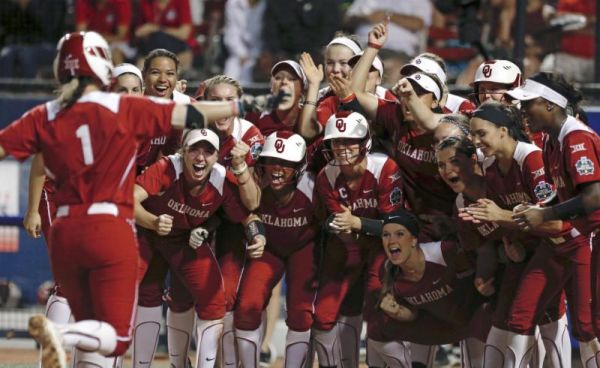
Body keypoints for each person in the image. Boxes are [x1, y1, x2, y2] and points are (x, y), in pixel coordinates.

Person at [0, 31, 241, 367]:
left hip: (67, 228)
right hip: (110, 225)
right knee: (114, 336)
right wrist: (234, 106)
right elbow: (191, 116)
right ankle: (63, 336)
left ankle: (59, 335)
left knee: (78, 306)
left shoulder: (46, 114)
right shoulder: (126, 107)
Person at [462, 100, 595, 367]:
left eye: (481, 133)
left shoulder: (531, 157)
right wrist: (511, 240)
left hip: (578, 241)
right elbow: (518, 220)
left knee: (587, 325)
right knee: (521, 318)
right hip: (549, 248)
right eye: (472, 134)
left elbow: (557, 223)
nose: (476, 141)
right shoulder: (491, 168)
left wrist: (501, 217)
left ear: (503, 130)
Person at [134, 128, 267, 368]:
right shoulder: (167, 167)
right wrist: (152, 222)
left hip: (181, 240)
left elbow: (248, 216)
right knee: (122, 290)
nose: (200, 157)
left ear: (217, 156)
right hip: (145, 233)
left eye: (208, 151)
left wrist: (258, 237)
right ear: (183, 152)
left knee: (215, 300)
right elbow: (130, 199)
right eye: (194, 149)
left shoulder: (221, 179)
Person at [510, 72, 600, 365]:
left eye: (529, 103)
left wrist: (544, 214)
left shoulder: (577, 138)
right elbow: (560, 193)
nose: (523, 110)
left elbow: (594, 197)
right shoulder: (551, 140)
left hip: (591, 237)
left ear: (550, 105)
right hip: (574, 237)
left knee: (588, 325)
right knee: (527, 314)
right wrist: (534, 207)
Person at [312, 111, 403, 368]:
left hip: (384, 248)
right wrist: (345, 226)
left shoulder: (385, 167)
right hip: (346, 247)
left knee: (379, 310)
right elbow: (339, 225)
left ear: (365, 141)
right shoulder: (325, 176)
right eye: (336, 141)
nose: (342, 148)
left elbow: (397, 227)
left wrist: (358, 223)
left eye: (350, 140)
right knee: (323, 314)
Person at [234, 131, 322, 367]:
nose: (277, 169)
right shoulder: (255, 185)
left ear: (300, 167)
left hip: (303, 248)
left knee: (301, 313)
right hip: (268, 248)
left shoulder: (314, 188)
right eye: (272, 161)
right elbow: (244, 213)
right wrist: (255, 236)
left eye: (286, 164)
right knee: (246, 307)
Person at [365, 209, 491, 368]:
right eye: (386, 235)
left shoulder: (444, 252)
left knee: (489, 313)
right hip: (441, 327)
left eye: (399, 234)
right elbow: (413, 313)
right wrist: (398, 312)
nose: (391, 240)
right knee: (378, 326)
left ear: (413, 240)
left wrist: (484, 278)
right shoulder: (388, 272)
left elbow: (483, 254)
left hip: (473, 322)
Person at [201, 74, 265, 367]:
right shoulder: (193, 128)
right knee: (189, 296)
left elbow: (253, 202)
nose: (222, 108)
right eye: (215, 101)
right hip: (197, 217)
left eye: (229, 101)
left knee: (229, 296)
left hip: (235, 222)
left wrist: (239, 165)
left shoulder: (251, 136)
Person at [135, 0, 194, 74]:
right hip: (151, 49)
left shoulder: (181, 2)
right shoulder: (145, 2)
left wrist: (157, 29)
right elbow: (138, 32)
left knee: (181, 61)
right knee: (141, 69)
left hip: (177, 49)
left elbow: (184, 33)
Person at [75, 0, 133, 64]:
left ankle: (121, 73)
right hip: (91, 43)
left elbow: (120, 36)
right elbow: (81, 34)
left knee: (116, 54)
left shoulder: (122, 2)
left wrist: (96, 37)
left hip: (118, 43)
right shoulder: (83, 2)